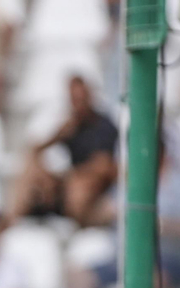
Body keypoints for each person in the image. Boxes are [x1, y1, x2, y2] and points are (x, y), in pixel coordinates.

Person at [9, 76, 118, 227]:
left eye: (80, 99)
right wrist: (58, 136)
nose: (77, 105)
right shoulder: (72, 125)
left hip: (91, 187)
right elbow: (35, 150)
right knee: (30, 170)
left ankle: (80, 226)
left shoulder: (104, 125)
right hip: (69, 183)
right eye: (74, 100)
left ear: (89, 97)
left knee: (79, 187)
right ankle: (11, 222)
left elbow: (103, 166)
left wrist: (73, 176)